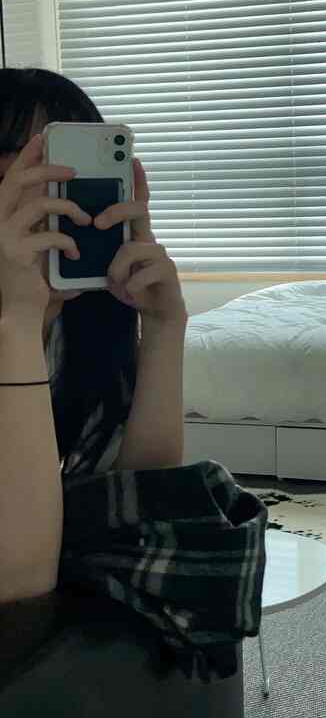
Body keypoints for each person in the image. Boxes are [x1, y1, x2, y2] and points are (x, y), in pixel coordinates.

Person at [0, 67, 188, 605]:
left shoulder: (80, 320)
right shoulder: (21, 316)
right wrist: (17, 322)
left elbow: (138, 503)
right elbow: (19, 583)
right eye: (21, 170)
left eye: (64, 174)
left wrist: (163, 328)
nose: (48, 197)